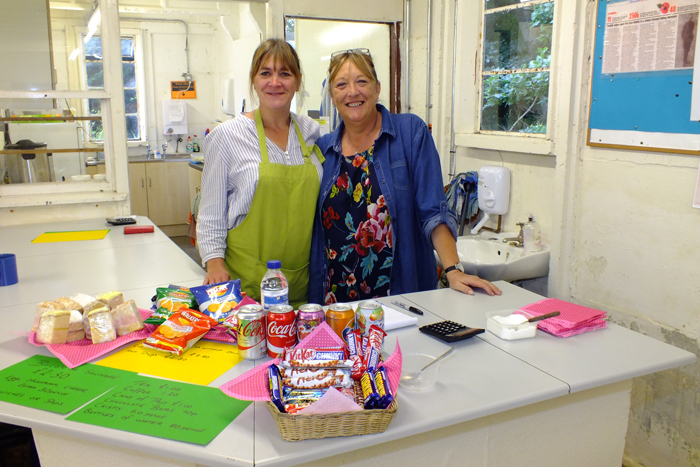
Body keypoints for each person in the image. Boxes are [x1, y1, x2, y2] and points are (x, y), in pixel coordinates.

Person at [308, 48, 501, 305]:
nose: (352, 92)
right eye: (341, 85)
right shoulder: (323, 150)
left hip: (401, 298)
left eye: (362, 81)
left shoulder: (410, 134)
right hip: (336, 303)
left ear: (377, 89)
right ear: (332, 96)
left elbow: (433, 211)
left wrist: (453, 270)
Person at [196, 38, 324, 305]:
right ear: (254, 80)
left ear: (297, 82)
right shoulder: (227, 136)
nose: (275, 82)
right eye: (265, 73)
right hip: (246, 283)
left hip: (301, 281)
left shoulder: (311, 132)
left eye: (285, 74)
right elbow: (210, 212)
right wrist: (214, 263)